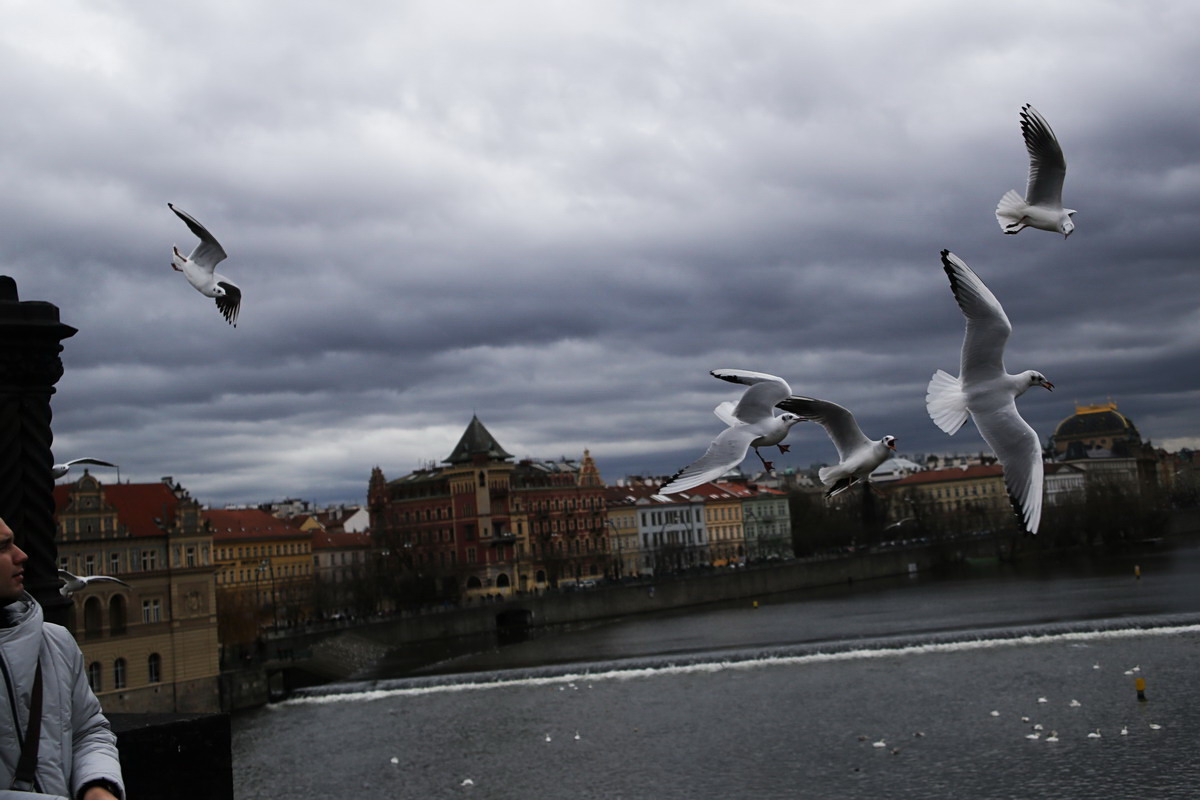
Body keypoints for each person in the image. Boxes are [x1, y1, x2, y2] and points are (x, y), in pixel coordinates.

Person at [1, 517, 125, 800]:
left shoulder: (55, 641)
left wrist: (97, 784)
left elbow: (88, 730)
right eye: (3, 546)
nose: (22, 555)